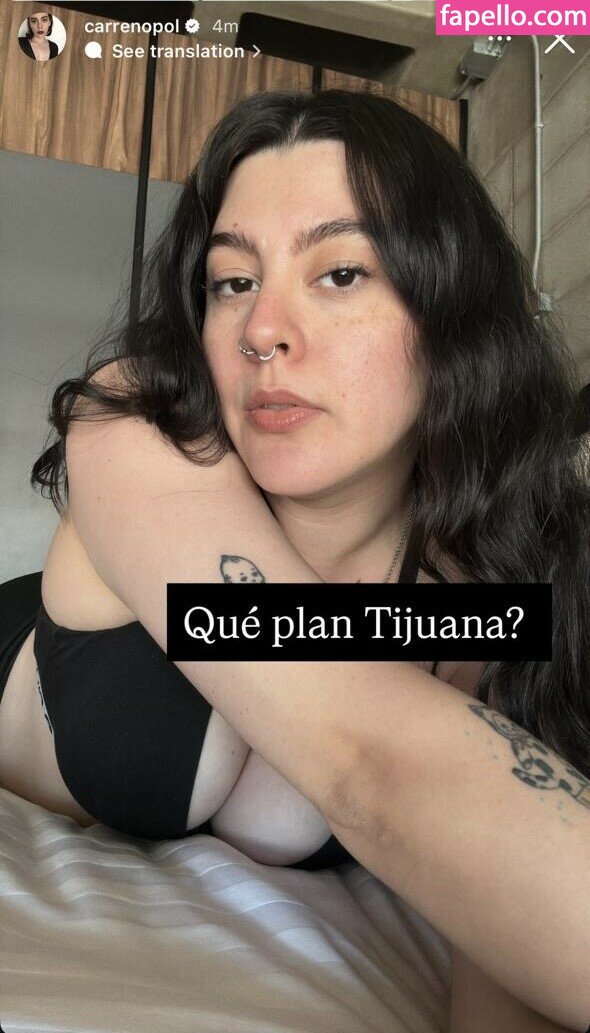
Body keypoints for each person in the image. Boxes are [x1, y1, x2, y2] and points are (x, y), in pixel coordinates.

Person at [0, 90, 588, 1030]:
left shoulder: (501, 579)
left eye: (340, 273)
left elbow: (504, 897)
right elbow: (367, 758)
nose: (261, 329)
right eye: (232, 281)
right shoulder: (140, 422)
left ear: (452, 311)